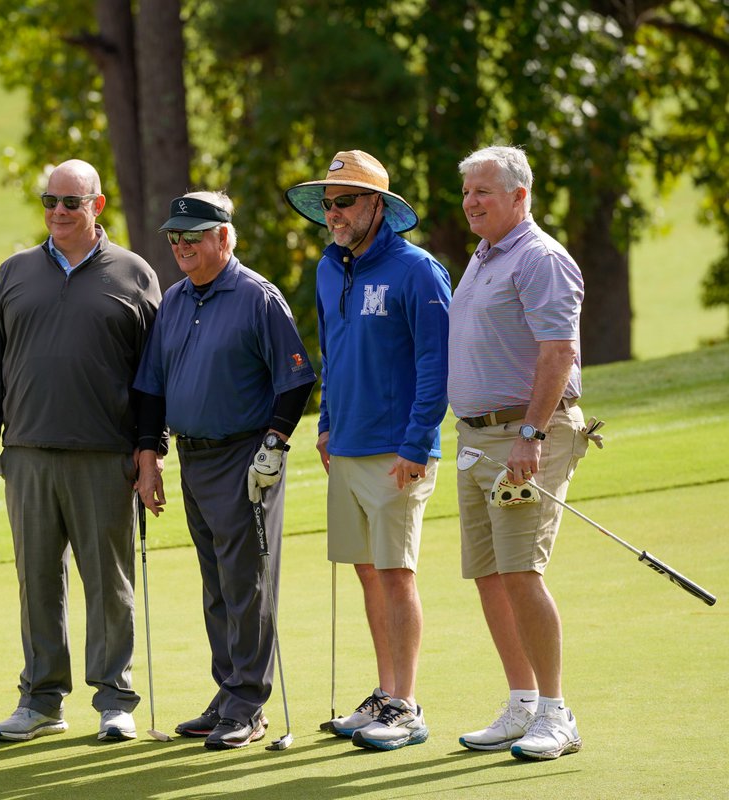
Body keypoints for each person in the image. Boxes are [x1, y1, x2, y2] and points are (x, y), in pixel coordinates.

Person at [0, 159, 161, 743]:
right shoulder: (16, 271)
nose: (57, 211)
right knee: (37, 580)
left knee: (109, 583)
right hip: (27, 452)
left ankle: (114, 699)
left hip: (105, 455)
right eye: (49, 200)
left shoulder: (132, 272)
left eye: (70, 203)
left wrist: (150, 448)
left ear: (96, 206)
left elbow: (154, 373)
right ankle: (41, 699)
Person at [134, 191, 317, 750]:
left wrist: (274, 446)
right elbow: (150, 386)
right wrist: (149, 455)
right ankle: (228, 693)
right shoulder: (173, 299)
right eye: (174, 238)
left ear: (223, 238)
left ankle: (249, 702)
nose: (181, 246)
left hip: (245, 458)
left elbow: (296, 378)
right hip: (193, 456)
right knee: (217, 583)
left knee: (246, 582)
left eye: (193, 237)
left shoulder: (257, 297)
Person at [284, 150, 452, 751]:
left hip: (397, 451)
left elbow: (438, 365)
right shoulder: (330, 269)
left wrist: (416, 442)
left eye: (346, 200)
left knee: (396, 574)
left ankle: (406, 706)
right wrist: (326, 423)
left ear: (377, 205)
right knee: (367, 573)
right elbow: (331, 353)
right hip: (348, 445)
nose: (334, 213)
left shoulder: (418, 271)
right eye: (328, 203)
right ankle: (386, 692)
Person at [450, 145, 589, 761]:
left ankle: (558, 714)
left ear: (519, 196)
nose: (471, 202)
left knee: (520, 573)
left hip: (526, 435)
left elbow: (558, 353)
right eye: (467, 192)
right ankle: (522, 703)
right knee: (488, 574)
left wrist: (530, 437)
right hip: (476, 438)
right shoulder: (482, 257)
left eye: (484, 191)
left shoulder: (540, 258)